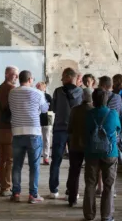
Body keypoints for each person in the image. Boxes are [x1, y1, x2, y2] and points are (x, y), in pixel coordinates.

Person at [8, 70, 49, 204]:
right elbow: (44, 109)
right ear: (30, 79)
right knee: (34, 165)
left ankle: (16, 193)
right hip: (33, 132)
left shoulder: (12, 92)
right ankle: (33, 195)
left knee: (17, 165)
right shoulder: (38, 93)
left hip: (17, 132)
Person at [83, 89, 121, 221]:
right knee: (109, 185)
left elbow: (85, 132)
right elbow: (118, 129)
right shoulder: (113, 113)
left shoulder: (88, 114)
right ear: (107, 101)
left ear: (93, 100)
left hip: (91, 152)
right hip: (110, 153)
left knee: (90, 184)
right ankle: (106, 216)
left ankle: (89, 215)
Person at [49, 67, 83, 199]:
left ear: (69, 77)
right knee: (75, 162)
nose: (61, 80)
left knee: (56, 160)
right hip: (75, 131)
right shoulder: (81, 92)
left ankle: (54, 189)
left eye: (63, 77)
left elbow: (54, 108)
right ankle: (72, 190)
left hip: (59, 129)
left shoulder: (58, 91)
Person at [0, 66, 19, 197]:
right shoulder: (12, 90)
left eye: (17, 75)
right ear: (7, 74)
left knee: (3, 160)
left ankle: (4, 186)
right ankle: (6, 187)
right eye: (14, 75)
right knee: (9, 161)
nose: (16, 77)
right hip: (9, 130)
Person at [66, 88, 93, 207]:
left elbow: (69, 128)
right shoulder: (93, 111)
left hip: (75, 145)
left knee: (74, 172)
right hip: (90, 146)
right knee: (90, 174)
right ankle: (88, 201)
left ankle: (72, 199)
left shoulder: (74, 110)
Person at [36, 81, 53, 165]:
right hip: (37, 120)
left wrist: (50, 122)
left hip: (47, 118)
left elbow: (52, 108)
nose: (38, 88)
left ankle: (46, 157)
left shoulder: (48, 97)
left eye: (40, 86)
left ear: (44, 88)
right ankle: (37, 157)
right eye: (37, 87)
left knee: (47, 139)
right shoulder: (35, 96)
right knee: (38, 139)